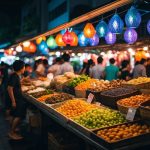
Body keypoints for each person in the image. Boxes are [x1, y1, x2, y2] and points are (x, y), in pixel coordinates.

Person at [7, 60, 26, 140]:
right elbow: (9, 88)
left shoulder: (15, 75)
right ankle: (11, 133)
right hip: (17, 99)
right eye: (24, 67)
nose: (24, 68)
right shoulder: (15, 76)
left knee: (14, 115)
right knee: (18, 116)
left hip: (17, 98)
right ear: (21, 68)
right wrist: (13, 101)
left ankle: (13, 130)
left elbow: (14, 85)